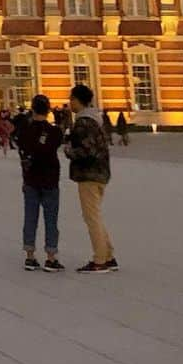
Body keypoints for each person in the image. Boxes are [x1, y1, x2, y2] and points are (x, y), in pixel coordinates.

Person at [65, 84, 117, 273]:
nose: (70, 103)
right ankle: (108, 255)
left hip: (89, 174)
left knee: (91, 217)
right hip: (100, 173)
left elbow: (88, 150)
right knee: (95, 215)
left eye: (71, 99)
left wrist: (70, 151)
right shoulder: (95, 119)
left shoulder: (83, 122)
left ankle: (100, 260)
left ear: (78, 100)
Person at [18, 95, 64, 272]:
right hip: (50, 178)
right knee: (51, 218)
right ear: (48, 110)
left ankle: (30, 256)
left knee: (30, 217)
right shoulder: (55, 132)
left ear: (33, 109)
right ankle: (51, 257)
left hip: (30, 178)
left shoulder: (24, 130)